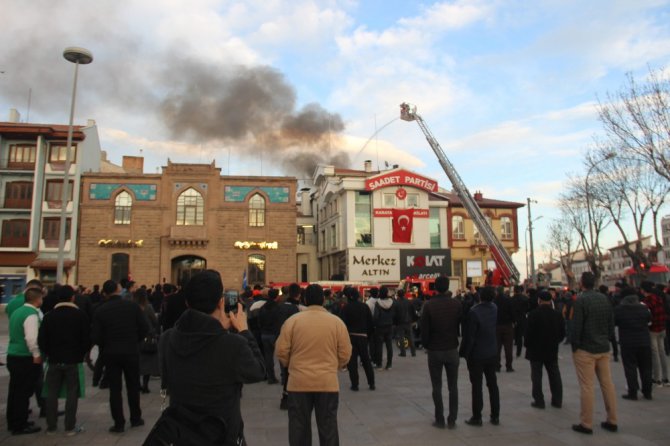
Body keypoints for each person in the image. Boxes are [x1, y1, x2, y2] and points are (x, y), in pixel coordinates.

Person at [159, 269, 266, 445]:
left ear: (187, 302)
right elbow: (258, 371)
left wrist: (218, 330)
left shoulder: (167, 339)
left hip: (180, 434)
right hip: (221, 435)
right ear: (220, 302)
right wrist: (244, 331)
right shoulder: (233, 344)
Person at [275, 284, 352, 446]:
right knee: (328, 428)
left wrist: (293, 366)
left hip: (298, 383)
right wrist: (333, 366)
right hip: (327, 383)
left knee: (298, 428)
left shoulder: (292, 322)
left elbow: (281, 351)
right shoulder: (336, 323)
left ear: (304, 299)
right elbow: (345, 353)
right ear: (323, 300)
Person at [91, 279, 149, 433]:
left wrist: (106, 344)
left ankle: (119, 423)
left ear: (105, 293)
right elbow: (145, 328)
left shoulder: (100, 310)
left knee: (115, 390)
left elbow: (96, 336)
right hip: (131, 351)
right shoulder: (132, 307)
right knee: (133, 386)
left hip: (111, 353)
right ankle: (136, 418)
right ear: (118, 289)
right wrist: (135, 340)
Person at [37, 285, 90, 436]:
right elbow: (86, 339)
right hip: (73, 360)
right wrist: (80, 354)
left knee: (51, 393)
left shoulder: (49, 316)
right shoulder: (80, 315)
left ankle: (51, 427)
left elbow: (42, 340)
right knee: (72, 393)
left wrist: (49, 353)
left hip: (54, 360)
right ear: (72, 297)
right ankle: (69, 426)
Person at [571, 272, 618, 435]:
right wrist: (608, 338)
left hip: (586, 348)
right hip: (603, 347)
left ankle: (586, 423)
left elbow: (576, 326)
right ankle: (612, 419)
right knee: (608, 384)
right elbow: (611, 322)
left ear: (582, 283)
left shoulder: (581, 300)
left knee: (587, 386)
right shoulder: (604, 299)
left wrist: (575, 345)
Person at [420, 277, 463, 429]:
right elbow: (461, 325)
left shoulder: (429, 305)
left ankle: (439, 418)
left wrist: (426, 345)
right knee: (453, 386)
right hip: (452, 348)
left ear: (435, 288)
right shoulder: (456, 304)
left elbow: (424, 329)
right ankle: (452, 418)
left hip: (435, 350)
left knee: (436, 386)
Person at [460, 286, 500, 427]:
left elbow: (470, 336)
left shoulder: (474, 312)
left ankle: (477, 417)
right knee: (493, 384)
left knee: (477, 386)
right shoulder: (494, 308)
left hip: (477, 354)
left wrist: (465, 353)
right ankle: (495, 415)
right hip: (492, 351)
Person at [525, 290, 565, 409]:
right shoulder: (557, 315)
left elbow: (527, 334)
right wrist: (555, 341)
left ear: (539, 301)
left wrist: (528, 345)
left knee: (536, 376)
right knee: (554, 374)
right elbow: (562, 333)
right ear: (551, 301)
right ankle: (557, 400)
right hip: (552, 349)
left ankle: (539, 400)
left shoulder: (533, 314)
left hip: (536, 350)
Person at [614, 287, 652, 400]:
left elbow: (615, 322)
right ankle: (647, 392)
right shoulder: (644, 308)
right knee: (646, 368)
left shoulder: (619, 309)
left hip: (627, 342)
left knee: (630, 367)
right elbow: (649, 321)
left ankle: (633, 392)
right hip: (644, 342)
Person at [340, 287, 375, 391]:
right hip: (363, 337)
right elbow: (370, 323)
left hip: (351, 337)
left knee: (352, 362)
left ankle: (355, 384)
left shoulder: (345, 308)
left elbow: (342, 324)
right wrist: (368, 335)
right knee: (366, 361)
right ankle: (371, 383)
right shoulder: (364, 307)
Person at [277, 283, 302, 410]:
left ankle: (285, 397)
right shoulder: (294, 309)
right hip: (293, 343)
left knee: (286, 371)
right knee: (292, 371)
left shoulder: (280, 306)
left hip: (282, 340)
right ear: (298, 294)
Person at [640, 281, 668, 387]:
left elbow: (648, 318)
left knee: (654, 354)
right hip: (662, 328)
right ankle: (666, 378)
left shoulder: (646, 302)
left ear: (643, 290)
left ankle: (657, 379)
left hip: (653, 330)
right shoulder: (659, 298)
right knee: (662, 352)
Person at [133, 288, 160, 393]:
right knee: (147, 362)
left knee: (137, 361)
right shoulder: (148, 307)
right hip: (147, 337)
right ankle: (145, 385)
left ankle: (137, 384)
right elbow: (155, 320)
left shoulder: (132, 306)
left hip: (135, 337)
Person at [258, 288, 282, 384]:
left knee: (268, 356)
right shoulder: (278, 308)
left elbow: (259, 321)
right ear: (276, 297)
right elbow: (280, 321)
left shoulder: (263, 307)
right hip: (275, 334)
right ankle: (283, 377)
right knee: (281, 355)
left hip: (265, 334)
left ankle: (270, 377)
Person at [372, 286, 396, 370]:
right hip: (389, 326)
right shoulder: (392, 302)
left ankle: (379, 365)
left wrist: (374, 324)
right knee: (389, 346)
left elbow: (376, 316)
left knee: (379, 346)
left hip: (380, 327)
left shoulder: (378, 303)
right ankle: (389, 364)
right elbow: (394, 314)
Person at [494, 287, 516, 372]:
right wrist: (514, 321)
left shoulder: (494, 301)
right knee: (508, 348)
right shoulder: (508, 300)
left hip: (497, 326)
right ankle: (509, 366)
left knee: (497, 347)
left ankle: (497, 366)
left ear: (496, 291)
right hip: (508, 326)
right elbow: (512, 312)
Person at [394, 289, 416, 357]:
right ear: (404, 294)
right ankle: (413, 353)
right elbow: (413, 311)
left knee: (401, 338)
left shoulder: (396, 303)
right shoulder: (409, 302)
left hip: (400, 322)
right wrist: (413, 320)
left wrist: (395, 322)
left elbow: (395, 314)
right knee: (410, 337)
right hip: (408, 321)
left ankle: (403, 353)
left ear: (398, 294)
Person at [511, 285, 529, 357]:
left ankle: (513, 348)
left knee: (514, 335)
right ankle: (519, 352)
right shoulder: (525, 298)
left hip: (514, 319)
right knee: (520, 336)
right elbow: (528, 308)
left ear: (514, 291)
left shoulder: (511, 299)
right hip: (522, 318)